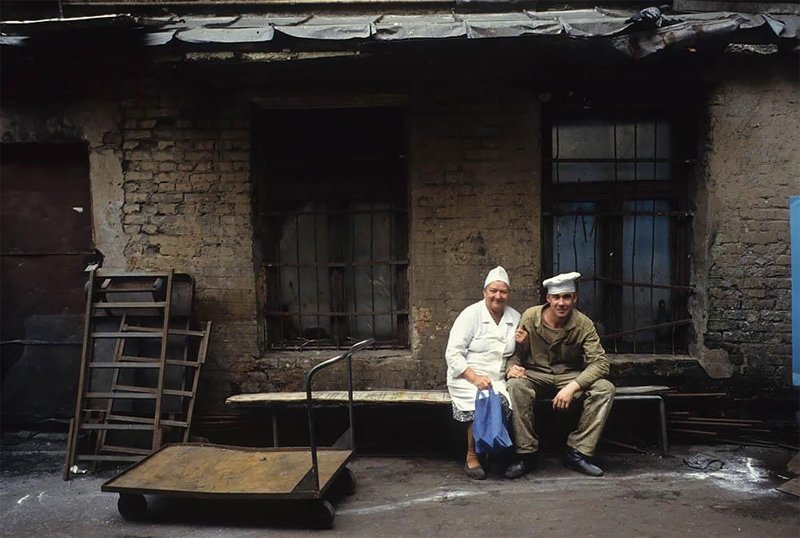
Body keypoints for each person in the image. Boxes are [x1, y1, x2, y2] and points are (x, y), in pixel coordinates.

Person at [504, 271, 615, 478]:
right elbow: (514, 356)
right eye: (556, 297)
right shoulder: (530, 317)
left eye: (566, 297)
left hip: (568, 376)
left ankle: (578, 452)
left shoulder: (583, 324)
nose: (561, 303)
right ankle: (527, 454)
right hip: (536, 373)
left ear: (575, 298)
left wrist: (573, 386)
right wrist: (512, 368)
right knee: (516, 386)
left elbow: (600, 363)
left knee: (604, 388)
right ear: (548, 299)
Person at [445, 266, 522, 480]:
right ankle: (473, 455)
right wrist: (474, 378)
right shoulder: (470, 315)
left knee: (506, 401)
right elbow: (452, 354)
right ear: (484, 292)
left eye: (503, 292)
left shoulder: (515, 317)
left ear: (508, 294)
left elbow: (512, 355)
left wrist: (512, 366)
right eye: (493, 291)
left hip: (496, 377)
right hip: (466, 377)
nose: (498, 296)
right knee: (483, 402)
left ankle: (493, 451)